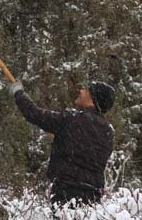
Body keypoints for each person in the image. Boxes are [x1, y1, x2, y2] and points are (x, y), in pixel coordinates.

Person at [9, 79, 115, 207]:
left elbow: (35, 114)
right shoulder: (108, 132)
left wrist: (19, 93)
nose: (81, 91)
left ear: (93, 100)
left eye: (86, 90)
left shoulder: (72, 120)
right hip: (93, 196)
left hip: (66, 192)